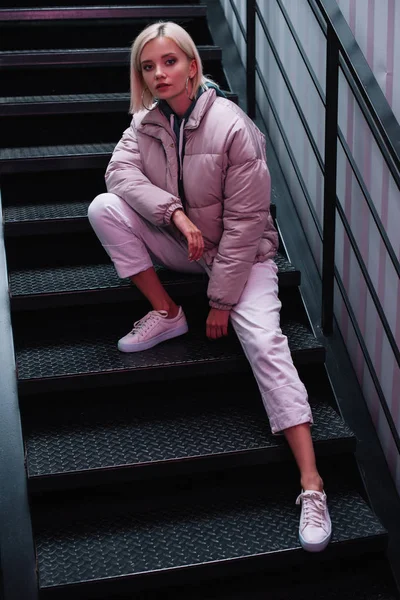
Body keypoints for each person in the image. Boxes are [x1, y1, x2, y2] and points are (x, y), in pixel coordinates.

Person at [88, 21, 332, 553]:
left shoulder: (233, 127)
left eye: (169, 62)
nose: (159, 74)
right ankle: (168, 313)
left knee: (265, 342)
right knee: (103, 209)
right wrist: (175, 216)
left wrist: (220, 302)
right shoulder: (145, 124)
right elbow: (118, 175)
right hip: (190, 246)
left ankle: (312, 483)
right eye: (148, 66)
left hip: (244, 260)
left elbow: (247, 227)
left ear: (193, 65)